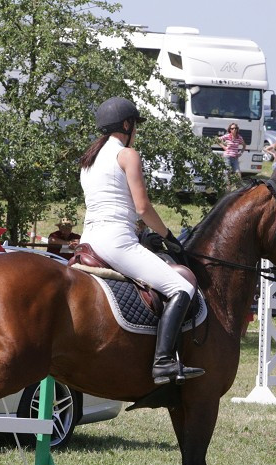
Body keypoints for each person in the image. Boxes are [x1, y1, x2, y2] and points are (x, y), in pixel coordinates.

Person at [79, 96, 203, 385]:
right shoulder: (127, 155)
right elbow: (143, 208)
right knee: (181, 287)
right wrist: (168, 237)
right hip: (116, 241)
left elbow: (112, 204)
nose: (136, 131)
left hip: (89, 240)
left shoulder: (88, 160)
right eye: (135, 126)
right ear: (126, 124)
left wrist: (141, 232)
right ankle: (162, 364)